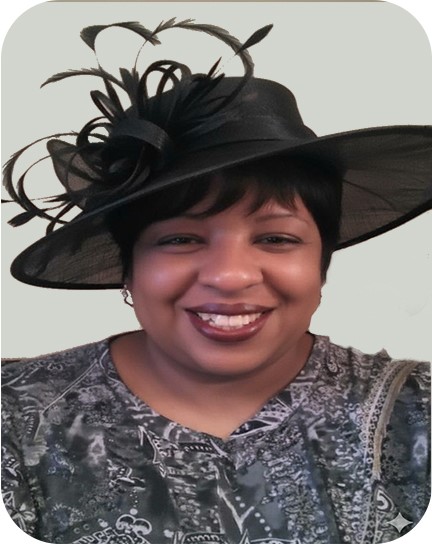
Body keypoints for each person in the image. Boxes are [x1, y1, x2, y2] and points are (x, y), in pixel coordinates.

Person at [1, 17, 431, 544]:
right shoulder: (16, 418)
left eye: (276, 238)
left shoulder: (417, 410)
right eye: (180, 238)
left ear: (322, 261)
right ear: (128, 267)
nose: (230, 276)